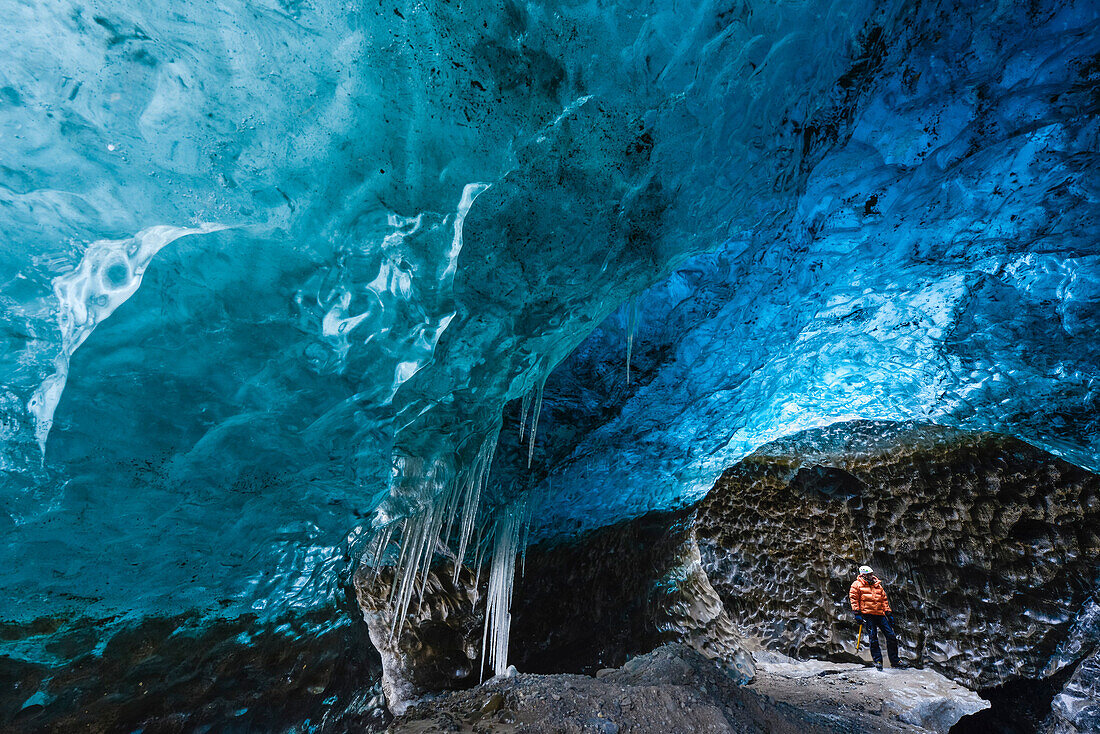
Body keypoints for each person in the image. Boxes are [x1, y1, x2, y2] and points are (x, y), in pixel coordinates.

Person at [849, 565, 906, 671]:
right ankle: (878, 661)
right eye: (868, 574)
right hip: (867, 614)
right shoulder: (856, 585)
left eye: (871, 573)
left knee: (891, 636)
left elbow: (884, 600)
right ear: (863, 575)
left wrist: (888, 613)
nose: (871, 576)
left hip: (880, 614)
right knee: (873, 638)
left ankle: (895, 660)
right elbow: (853, 599)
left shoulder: (877, 585)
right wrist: (857, 613)